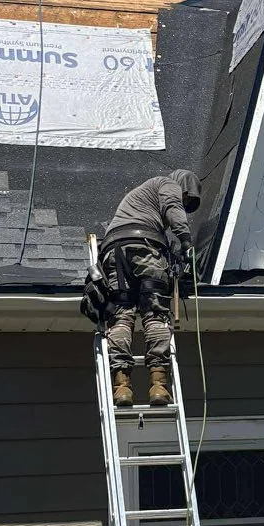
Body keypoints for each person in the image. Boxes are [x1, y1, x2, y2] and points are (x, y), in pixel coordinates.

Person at [81, 172, 201, 407]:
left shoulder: (141, 197)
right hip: (144, 246)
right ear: (184, 187)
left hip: (114, 251)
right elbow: (173, 208)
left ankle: (122, 387)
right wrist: (186, 242)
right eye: (186, 201)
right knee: (154, 313)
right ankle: (158, 385)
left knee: (121, 314)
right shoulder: (167, 183)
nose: (184, 206)